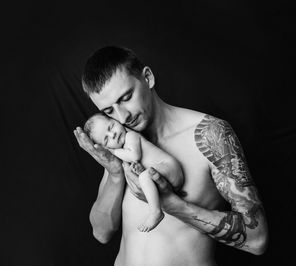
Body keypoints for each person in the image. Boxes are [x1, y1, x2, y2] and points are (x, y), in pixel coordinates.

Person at [73, 46, 268, 266]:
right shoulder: (120, 140)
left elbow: (257, 239)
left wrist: (171, 204)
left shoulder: (209, 135)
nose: (123, 116)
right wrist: (115, 173)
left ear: (148, 77)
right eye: (109, 111)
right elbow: (101, 232)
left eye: (126, 97)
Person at [83, 113, 184, 232]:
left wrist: (113, 151)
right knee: (144, 176)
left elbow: (134, 156)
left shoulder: (131, 136)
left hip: (170, 167)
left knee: (144, 177)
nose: (113, 134)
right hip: (165, 178)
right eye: (107, 139)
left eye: (111, 127)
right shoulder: (123, 149)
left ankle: (156, 212)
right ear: (104, 147)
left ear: (116, 120)